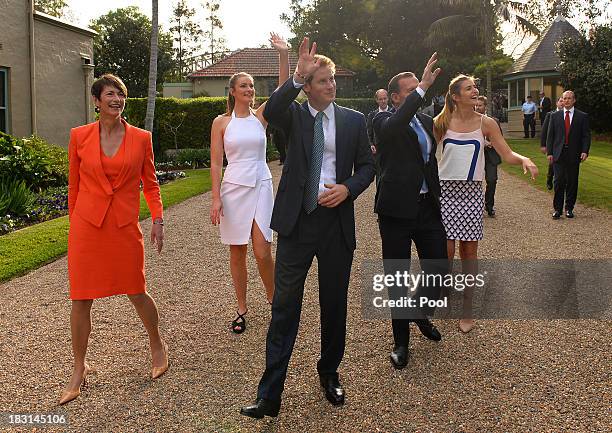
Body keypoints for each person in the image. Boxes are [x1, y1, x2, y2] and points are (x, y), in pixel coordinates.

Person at [240, 37, 375, 419]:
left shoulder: (354, 120)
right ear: (309, 86)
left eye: (331, 79)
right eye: (321, 81)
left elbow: (368, 167)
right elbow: (272, 108)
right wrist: (295, 74)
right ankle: (270, 394)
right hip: (297, 224)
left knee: (334, 304)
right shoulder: (294, 115)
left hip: (336, 224)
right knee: (285, 307)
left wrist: (348, 189)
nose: (330, 85)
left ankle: (329, 372)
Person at [61, 74, 167, 405]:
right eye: (110, 94)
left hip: (122, 225)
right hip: (87, 226)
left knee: (136, 290)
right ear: (97, 101)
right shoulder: (78, 136)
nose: (117, 99)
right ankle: (79, 367)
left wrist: (158, 219)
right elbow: (74, 185)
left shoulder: (140, 138)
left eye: (121, 94)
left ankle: (157, 344)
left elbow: (150, 183)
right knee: (80, 298)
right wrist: (73, 221)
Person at [434, 75, 538, 333]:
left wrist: (524, 159)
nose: (474, 91)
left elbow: (507, 153)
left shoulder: (487, 124)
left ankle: (467, 309)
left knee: (469, 253)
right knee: (444, 254)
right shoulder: (440, 122)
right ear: (456, 96)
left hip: (470, 195)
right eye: (468, 88)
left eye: (475, 88)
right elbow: (423, 155)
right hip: (444, 193)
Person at [209, 33, 289, 334]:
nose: (249, 89)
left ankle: (274, 301)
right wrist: (216, 199)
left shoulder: (261, 116)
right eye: (243, 85)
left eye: (252, 86)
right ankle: (241, 307)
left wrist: (283, 55)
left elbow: (284, 90)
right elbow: (217, 162)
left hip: (261, 185)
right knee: (237, 251)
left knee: (262, 250)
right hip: (232, 190)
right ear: (232, 91)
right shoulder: (221, 123)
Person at [372, 53, 447, 370]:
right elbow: (397, 124)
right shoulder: (383, 120)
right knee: (397, 277)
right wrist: (423, 88)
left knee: (440, 271)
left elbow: (429, 161)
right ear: (396, 97)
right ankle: (401, 342)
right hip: (395, 210)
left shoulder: (427, 123)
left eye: (421, 87)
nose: (421, 90)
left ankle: (418, 309)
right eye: (413, 88)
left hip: (427, 207)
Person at [545, 90, 590, 220]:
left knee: (572, 181)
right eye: (565, 98)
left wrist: (585, 150)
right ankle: (557, 209)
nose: (567, 100)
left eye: (569, 98)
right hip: (558, 154)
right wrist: (550, 152)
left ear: (574, 100)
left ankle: (569, 208)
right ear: (562, 100)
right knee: (558, 181)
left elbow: (586, 136)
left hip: (574, 153)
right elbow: (550, 136)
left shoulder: (582, 116)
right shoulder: (555, 116)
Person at [475, 96, 502, 217]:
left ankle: (489, 205)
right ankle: (476, 205)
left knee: (491, 180)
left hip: (491, 155)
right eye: (476, 105)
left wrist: (492, 142)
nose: (477, 107)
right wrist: (482, 141)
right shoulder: (470, 121)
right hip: (476, 155)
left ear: (485, 106)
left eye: (480, 105)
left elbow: (499, 138)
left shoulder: (494, 121)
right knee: (475, 181)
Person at [366, 88, 389, 184]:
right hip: (378, 152)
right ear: (377, 100)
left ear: (388, 98)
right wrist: (371, 144)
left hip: (393, 150)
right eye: (380, 99)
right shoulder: (372, 115)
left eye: (384, 98)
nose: (383, 101)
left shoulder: (395, 113)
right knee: (379, 177)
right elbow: (368, 133)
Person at [540, 97, 564, 190]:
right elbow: (544, 131)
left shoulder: (568, 115)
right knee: (552, 163)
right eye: (560, 101)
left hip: (563, 144)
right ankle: (549, 178)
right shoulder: (550, 115)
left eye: (563, 101)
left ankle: (562, 182)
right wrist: (543, 145)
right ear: (557, 103)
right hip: (553, 145)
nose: (562, 103)